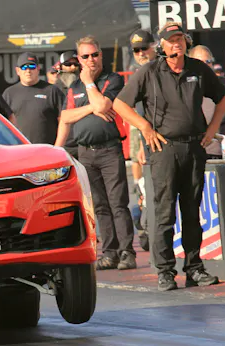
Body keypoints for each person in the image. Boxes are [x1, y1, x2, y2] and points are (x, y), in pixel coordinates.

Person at [113, 22, 225, 291]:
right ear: (162, 46)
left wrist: (212, 128)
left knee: (192, 212)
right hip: (163, 148)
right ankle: (165, 271)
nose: (176, 44)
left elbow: (223, 96)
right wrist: (144, 127)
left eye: (180, 39)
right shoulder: (149, 71)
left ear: (186, 42)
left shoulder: (198, 69)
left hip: (194, 147)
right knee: (164, 213)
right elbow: (119, 103)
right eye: (171, 40)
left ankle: (194, 268)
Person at [54, 35, 136, 271]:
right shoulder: (74, 87)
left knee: (118, 203)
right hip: (85, 152)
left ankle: (127, 252)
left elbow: (103, 106)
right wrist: (90, 107)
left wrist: (90, 84)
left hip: (109, 149)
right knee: (99, 206)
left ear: (101, 55)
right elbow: (66, 117)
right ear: (79, 59)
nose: (91, 59)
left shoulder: (112, 79)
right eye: (86, 56)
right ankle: (109, 253)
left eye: (95, 54)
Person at [3, 52, 64, 144]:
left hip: (46, 148)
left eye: (32, 67)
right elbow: (2, 125)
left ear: (38, 69)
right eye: (24, 67)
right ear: (18, 71)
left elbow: (63, 121)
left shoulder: (52, 91)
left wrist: (58, 146)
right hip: (18, 148)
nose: (28, 71)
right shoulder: (9, 93)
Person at [127, 30, 158, 186]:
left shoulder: (163, 67)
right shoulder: (138, 74)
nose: (141, 54)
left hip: (166, 137)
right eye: (136, 50)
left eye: (144, 48)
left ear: (154, 46)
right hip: (148, 139)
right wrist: (141, 143)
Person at [54, 52, 81, 158]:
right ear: (60, 67)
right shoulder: (54, 90)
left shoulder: (86, 86)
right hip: (65, 144)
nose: (72, 67)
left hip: (84, 143)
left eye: (75, 64)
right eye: (68, 64)